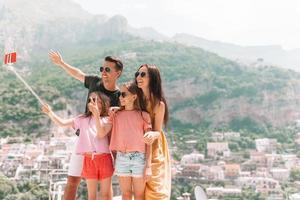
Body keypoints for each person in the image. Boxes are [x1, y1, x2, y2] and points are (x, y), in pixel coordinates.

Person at [48, 50, 123, 199]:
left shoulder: (120, 97)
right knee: (72, 180)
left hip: (104, 146)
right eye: (102, 69)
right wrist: (61, 63)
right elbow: (78, 74)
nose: (103, 72)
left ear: (118, 73)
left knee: (105, 188)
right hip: (83, 141)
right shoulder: (94, 82)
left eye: (108, 69)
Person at [41, 91, 114, 200]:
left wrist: (97, 116)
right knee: (92, 196)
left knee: (106, 196)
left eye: (94, 100)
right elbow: (62, 123)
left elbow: (101, 133)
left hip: (104, 159)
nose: (91, 103)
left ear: (102, 103)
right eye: (89, 100)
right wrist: (50, 113)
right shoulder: (82, 119)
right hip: (89, 160)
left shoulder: (108, 120)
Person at [109, 82, 152, 200]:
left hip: (139, 158)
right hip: (122, 157)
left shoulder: (144, 116)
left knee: (139, 196)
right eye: (120, 95)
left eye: (123, 94)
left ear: (134, 96)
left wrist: (148, 166)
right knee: (126, 195)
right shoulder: (116, 115)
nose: (120, 97)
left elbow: (149, 143)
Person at [135, 64, 171, 200]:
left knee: (155, 191)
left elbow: (158, 131)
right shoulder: (135, 98)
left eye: (143, 74)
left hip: (155, 147)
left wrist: (151, 135)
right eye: (137, 74)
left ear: (153, 78)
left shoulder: (159, 104)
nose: (138, 77)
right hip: (137, 147)